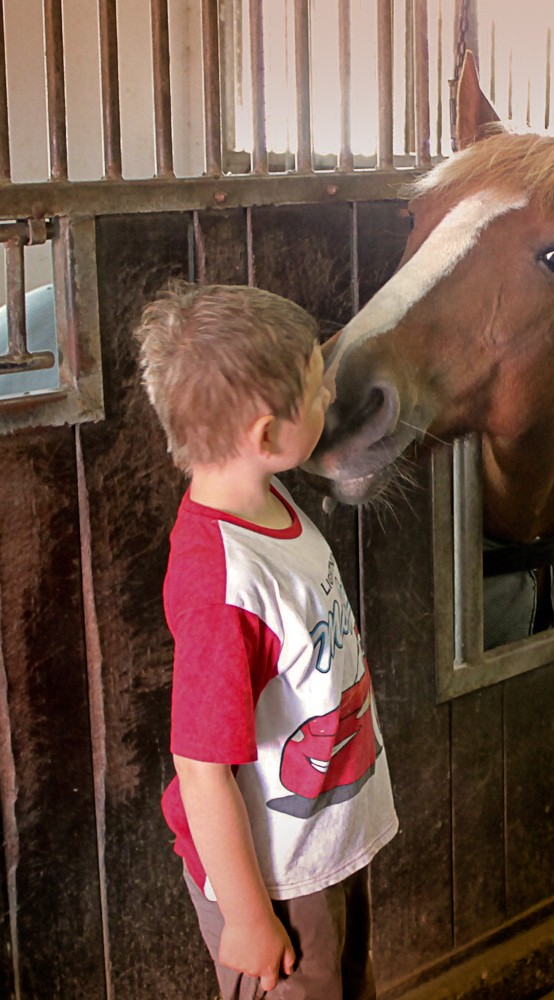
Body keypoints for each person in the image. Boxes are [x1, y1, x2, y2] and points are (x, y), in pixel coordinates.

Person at [135, 281, 398, 1000]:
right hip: (272, 877)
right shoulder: (222, 587)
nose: (331, 395)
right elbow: (200, 770)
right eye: (317, 391)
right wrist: (248, 918)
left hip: (320, 839)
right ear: (264, 435)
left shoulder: (266, 495)